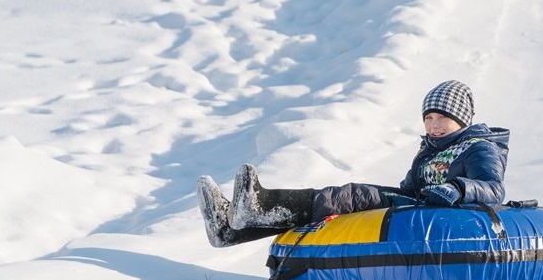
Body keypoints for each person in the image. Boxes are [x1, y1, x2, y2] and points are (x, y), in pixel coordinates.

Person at [197, 80, 510, 247]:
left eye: (442, 117)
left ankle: (260, 204)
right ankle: (234, 229)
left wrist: (457, 188)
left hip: (449, 220)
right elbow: (410, 188)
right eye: (429, 117)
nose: (434, 125)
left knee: (352, 195)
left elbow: (493, 189)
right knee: (344, 203)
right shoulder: (428, 148)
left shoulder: (477, 148)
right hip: (420, 206)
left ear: (461, 120)